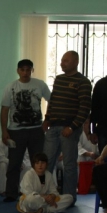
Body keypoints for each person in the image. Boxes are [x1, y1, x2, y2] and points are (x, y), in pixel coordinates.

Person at [43, 51, 92, 203]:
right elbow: (52, 101)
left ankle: (69, 197)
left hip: (69, 129)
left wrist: (72, 127)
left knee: (69, 165)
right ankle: (44, 195)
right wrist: (47, 119)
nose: (61, 63)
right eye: (62, 60)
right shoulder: (59, 79)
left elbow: (85, 108)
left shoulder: (83, 82)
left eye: (66, 61)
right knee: (46, 162)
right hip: (53, 127)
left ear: (75, 62)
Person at [0, 59, 51, 202]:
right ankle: (11, 193)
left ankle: (39, 192)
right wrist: (4, 130)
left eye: (28, 70)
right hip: (15, 131)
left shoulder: (40, 84)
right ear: (18, 71)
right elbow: (4, 110)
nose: (25, 72)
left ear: (32, 70)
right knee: (14, 163)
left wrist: (47, 120)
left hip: (36, 130)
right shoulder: (10, 87)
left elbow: (51, 101)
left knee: (39, 163)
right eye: (22, 70)